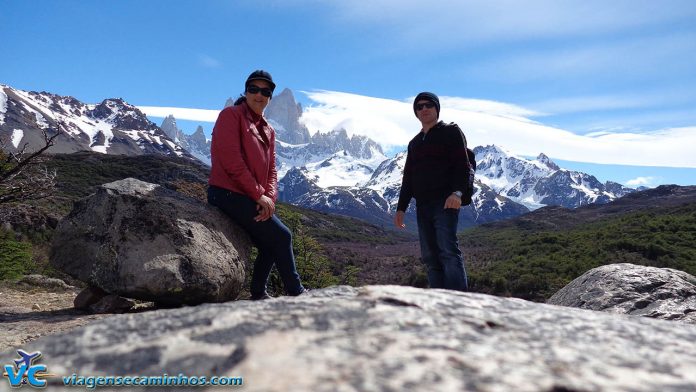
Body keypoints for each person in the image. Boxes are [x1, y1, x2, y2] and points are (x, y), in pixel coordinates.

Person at [207, 69, 306, 300]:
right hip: (226, 192)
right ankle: (296, 291)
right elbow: (232, 162)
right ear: (246, 91)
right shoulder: (231, 116)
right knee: (282, 236)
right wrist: (258, 195)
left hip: (250, 196)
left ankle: (258, 293)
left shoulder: (268, 130)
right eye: (254, 89)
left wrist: (268, 198)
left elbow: (272, 169)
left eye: (265, 91)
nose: (259, 95)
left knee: (270, 243)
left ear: (270, 97)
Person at [394, 92, 470, 291]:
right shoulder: (414, 143)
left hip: (445, 201)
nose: (424, 109)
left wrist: (458, 193)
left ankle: (458, 301)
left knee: (448, 251)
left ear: (437, 108)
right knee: (429, 257)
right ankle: (439, 299)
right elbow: (408, 178)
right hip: (423, 206)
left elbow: (463, 164)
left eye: (428, 105)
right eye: (419, 107)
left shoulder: (451, 131)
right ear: (416, 113)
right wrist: (401, 208)